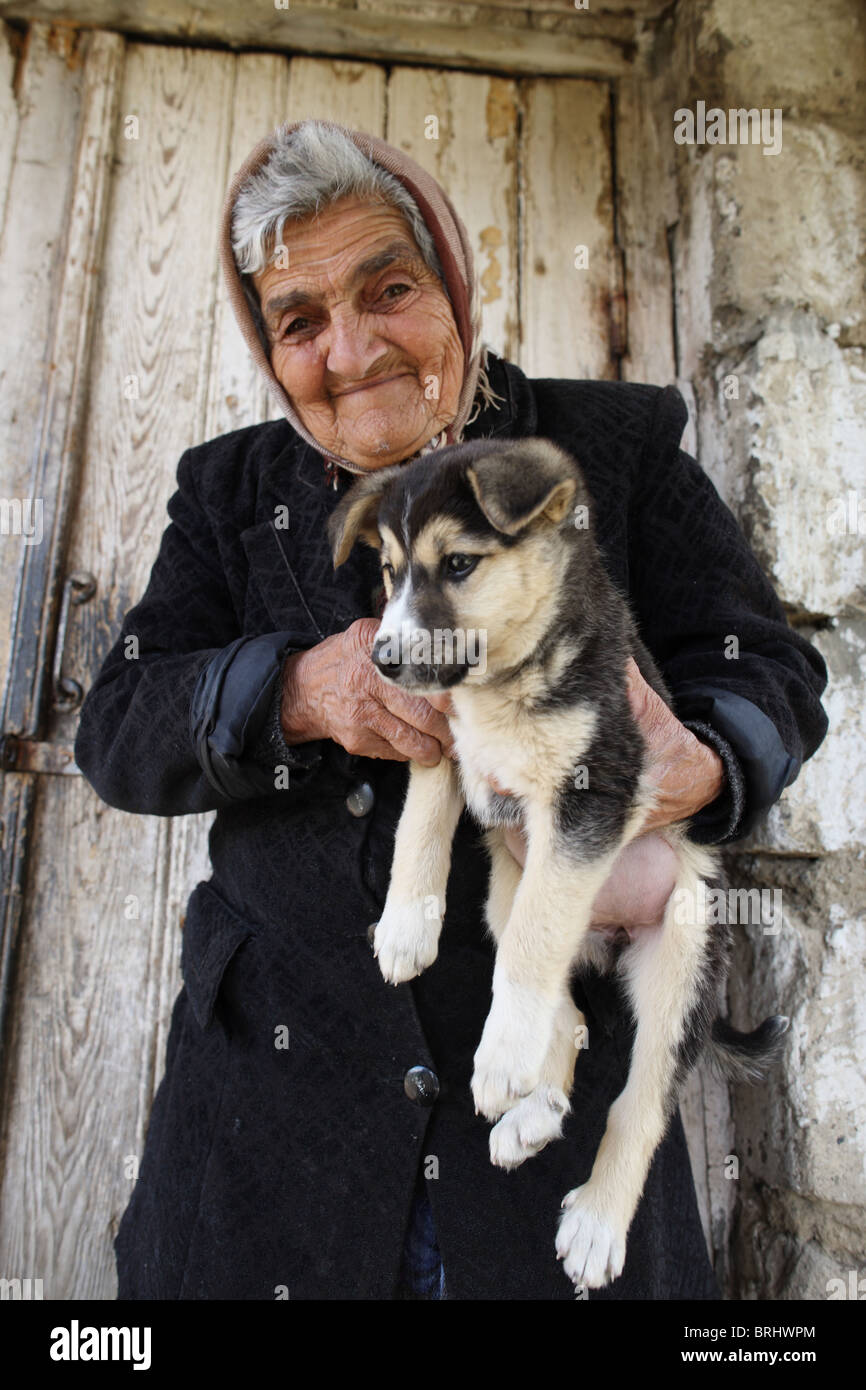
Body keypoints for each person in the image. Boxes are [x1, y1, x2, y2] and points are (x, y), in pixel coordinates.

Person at [74, 119, 829, 1301]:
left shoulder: (609, 445)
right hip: (271, 1147)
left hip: (545, 1127)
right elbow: (118, 726)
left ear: (454, 283)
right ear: (270, 352)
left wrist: (695, 763)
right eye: (300, 319)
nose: (354, 347)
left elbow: (770, 675)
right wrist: (291, 692)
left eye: (388, 287)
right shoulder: (225, 494)